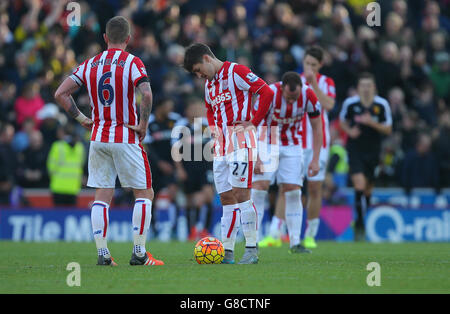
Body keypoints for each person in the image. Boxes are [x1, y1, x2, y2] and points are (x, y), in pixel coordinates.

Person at [54, 16, 163, 266]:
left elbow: (60, 93)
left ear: (105, 38)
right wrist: (143, 124)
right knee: (144, 192)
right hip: (125, 135)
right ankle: (139, 253)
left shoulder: (90, 63)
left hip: (98, 137)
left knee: (102, 195)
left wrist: (82, 118)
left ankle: (103, 255)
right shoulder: (132, 62)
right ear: (128, 38)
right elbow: (146, 94)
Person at [183, 43, 274, 264]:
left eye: (198, 69)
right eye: (195, 73)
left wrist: (253, 122)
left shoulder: (237, 72)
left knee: (242, 193)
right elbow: (211, 111)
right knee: (225, 197)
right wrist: (214, 134)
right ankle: (228, 251)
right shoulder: (209, 85)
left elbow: (266, 91)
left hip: (241, 141)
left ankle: (252, 248)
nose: (199, 75)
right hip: (222, 146)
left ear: (206, 58)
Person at [252, 71, 322, 254]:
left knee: (293, 191)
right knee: (259, 188)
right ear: (282, 88)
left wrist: (315, 159)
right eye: (289, 97)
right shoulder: (268, 94)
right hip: (266, 141)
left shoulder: (309, 95)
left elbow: (317, 127)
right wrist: (256, 156)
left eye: (295, 97)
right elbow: (254, 125)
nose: (292, 101)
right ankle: (253, 241)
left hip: (292, 145)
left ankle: (295, 243)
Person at [339, 72, 393, 240]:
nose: (366, 89)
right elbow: (342, 121)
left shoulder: (382, 105)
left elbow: (388, 129)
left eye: (369, 85)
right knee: (359, 185)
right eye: (363, 85)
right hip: (355, 149)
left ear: (374, 87)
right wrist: (349, 131)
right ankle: (361, 224)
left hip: (374, 151)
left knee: (368, 188)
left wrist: (371, 123)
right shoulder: (350, 104)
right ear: (358, 88)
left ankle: (360, 219)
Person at [299, 46, 336, 249]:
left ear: (320, 65)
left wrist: (314, 85)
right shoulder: (294, 81)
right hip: (295, 141)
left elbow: (329, 105)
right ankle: (280, 232)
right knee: (290, 187)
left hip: (318, 142)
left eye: (314, 65)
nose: (310, 68)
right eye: (307, 64)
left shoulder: (326, 82)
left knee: (314, 187)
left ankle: (310, 234)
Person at [172, 97, 215, 240]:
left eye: (199, 107)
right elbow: (175, 149)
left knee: (207, 196)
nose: (197, 110)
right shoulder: (180, 126)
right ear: (187, 110)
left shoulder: (206, 125)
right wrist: (179, 169)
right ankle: (193, 230)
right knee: (190, 200)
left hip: (205, 165)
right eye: (194, 108)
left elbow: (214, 145)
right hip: (188, 166)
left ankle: (205, 230)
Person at [143, 97, 180, 241]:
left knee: (174, 195)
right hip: (154, 167)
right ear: (159, 107)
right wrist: (160, 164)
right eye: (167, 106)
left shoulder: (175, 121)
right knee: (152, 197)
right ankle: (152, 228)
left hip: (171, 166)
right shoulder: (149, 122)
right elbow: (148, 147)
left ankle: (174, 228)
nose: (170, 109)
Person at [47, 124, 85, 206]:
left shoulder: (57, 146)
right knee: (70, 215)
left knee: (58, 216)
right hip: (73, 186)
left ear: (62, 132)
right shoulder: (80, 147)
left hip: (58, 186)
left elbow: (50, 167)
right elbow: (82, 164)